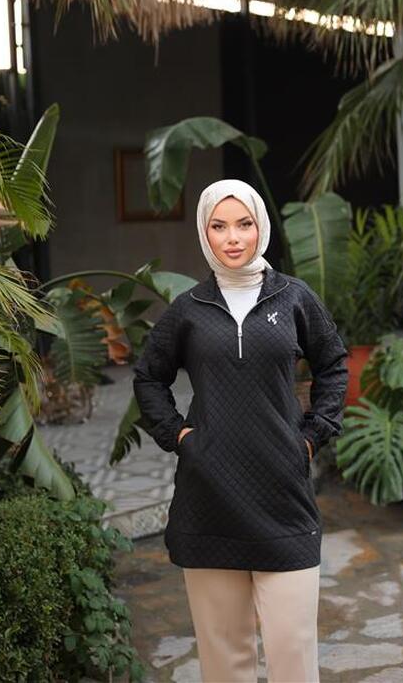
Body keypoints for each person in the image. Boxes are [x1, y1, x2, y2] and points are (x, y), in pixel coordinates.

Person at [133, 179, 349, 683]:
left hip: (283, 495)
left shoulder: (294, 298)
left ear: (260, 228)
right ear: (205, 233)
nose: (233, 237)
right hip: (209, 497)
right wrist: (180, 438)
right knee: (224, 659)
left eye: (244, 224)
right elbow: (148, 377)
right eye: (219, 226)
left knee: (293, 653)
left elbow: (333, 363)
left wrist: (311, 435)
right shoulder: (189, 308)